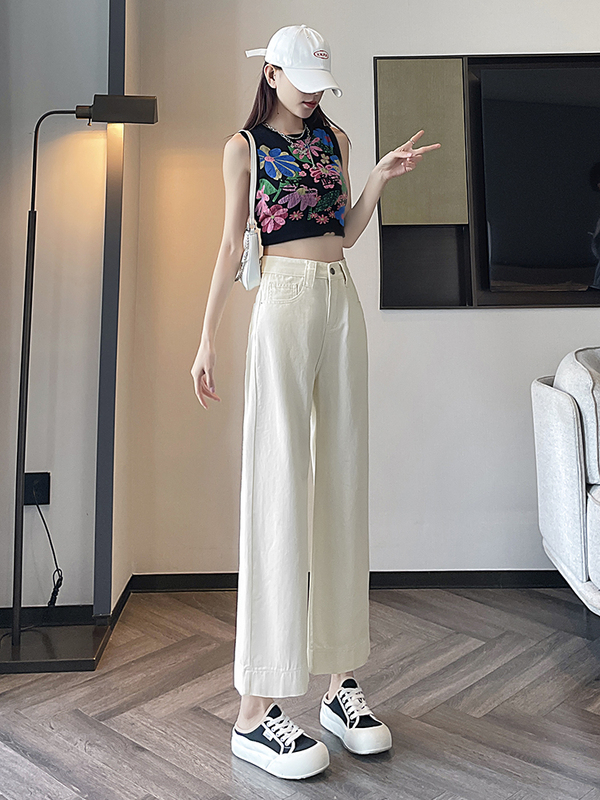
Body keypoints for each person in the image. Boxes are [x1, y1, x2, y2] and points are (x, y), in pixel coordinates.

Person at [191, 24, 441, 781]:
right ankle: (255, 711)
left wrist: (378, 181)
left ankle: (340, 686)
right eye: (301, 80)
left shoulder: (336, 140)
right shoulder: (243, 148)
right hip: (282, 302)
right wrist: (206, 338)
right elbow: (229, 245)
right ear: (271, 72)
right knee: (277, 487)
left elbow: (345, 233)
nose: (311, 94)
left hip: (339, 301)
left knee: (343, 482)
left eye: (319, 83)